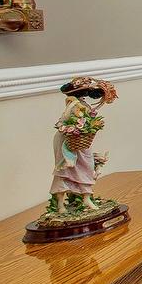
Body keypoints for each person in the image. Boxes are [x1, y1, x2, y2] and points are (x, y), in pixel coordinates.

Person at [49, 77, 117, 215]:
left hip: (81, 139)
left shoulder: (82, 104)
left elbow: (88, 118)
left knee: (87, 165)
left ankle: (86, 197)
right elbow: (68, 120)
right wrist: (76, 127)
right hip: (68, 139)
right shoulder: (73, 105)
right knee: (64, 169)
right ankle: (60, 204)